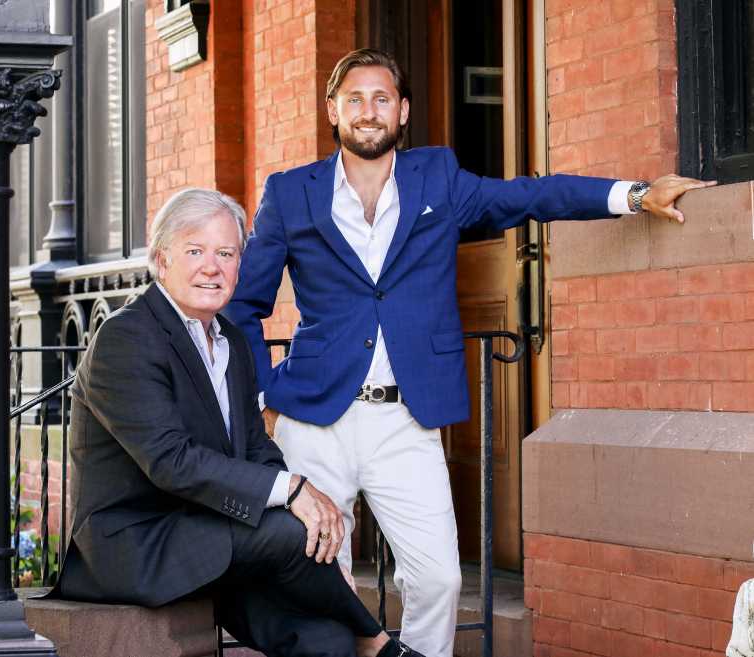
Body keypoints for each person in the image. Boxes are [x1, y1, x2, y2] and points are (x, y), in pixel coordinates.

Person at [224, 48, 716, 657]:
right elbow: (242, 306)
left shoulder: (438, 179)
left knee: (439, 579)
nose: (368, 111)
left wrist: (635, 195)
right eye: (354, 99)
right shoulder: (290, 192)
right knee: (322, 582)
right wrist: (265, 398)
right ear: (332, 110)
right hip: (313, 420)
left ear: (403, 112)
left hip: (405, 419)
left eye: (382, 99)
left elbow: (530, 197)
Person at [51, 188, 421, 657]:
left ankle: (359, 635)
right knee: (293, 533)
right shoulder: (125, 337)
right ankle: (379, 642)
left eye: (225, 254)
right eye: (195, 251)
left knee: (326, 639)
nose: (212, 267)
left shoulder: (232, 341)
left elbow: (256, 447)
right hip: (138, 545)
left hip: (213, 530)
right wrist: (293, 493)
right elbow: (171, 461)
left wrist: (300, 506)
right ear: (162, 260)